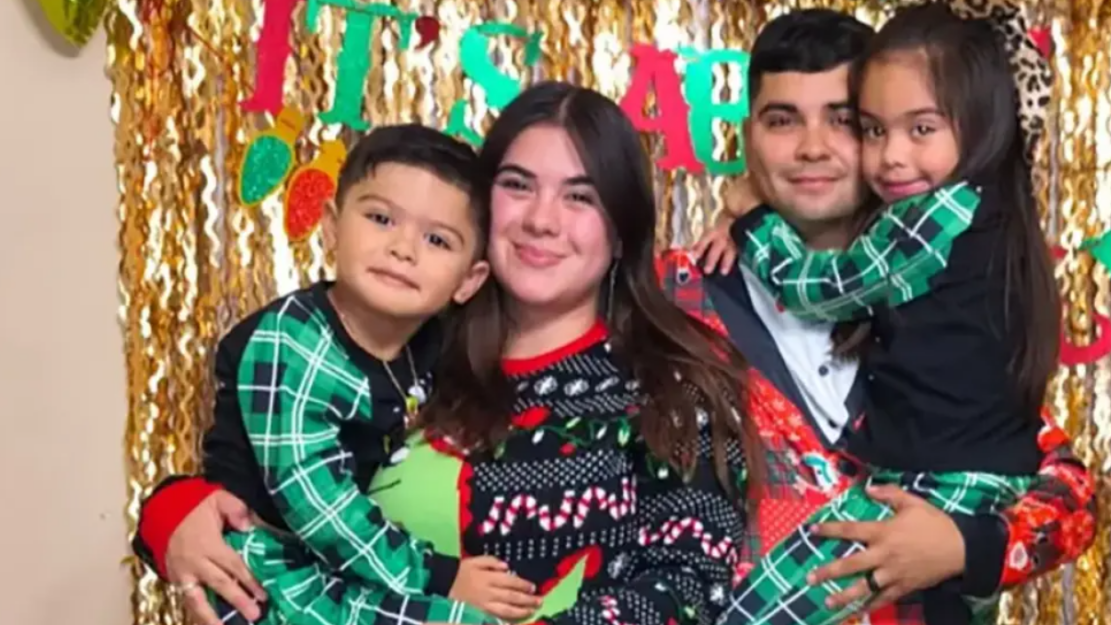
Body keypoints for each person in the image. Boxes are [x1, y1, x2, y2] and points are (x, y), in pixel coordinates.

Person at [133, 82, 761, 625]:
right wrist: (171, 517)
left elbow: (686, 589)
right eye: (518, 185)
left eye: (580, 196)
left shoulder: (674, 389)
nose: (542, 220)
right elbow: (282, 468)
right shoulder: (410, 341)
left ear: (621, 227)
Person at [674, 6, 1095, 624]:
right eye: (782, 120)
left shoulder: (941, 291)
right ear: (747, 135)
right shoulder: (675, 301)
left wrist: (964, 547)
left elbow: (1069, 495)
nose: (812, 147)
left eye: (844, 121)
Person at [170, 123, 545, 625]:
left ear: (469, 281)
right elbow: (317, 505)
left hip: (343, 569)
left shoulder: (432, 346)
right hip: (262, 572)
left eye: (437, 239)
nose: (403, 248)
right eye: (381, 218)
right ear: (331, 226)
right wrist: (439, 577)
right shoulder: (292, 341)